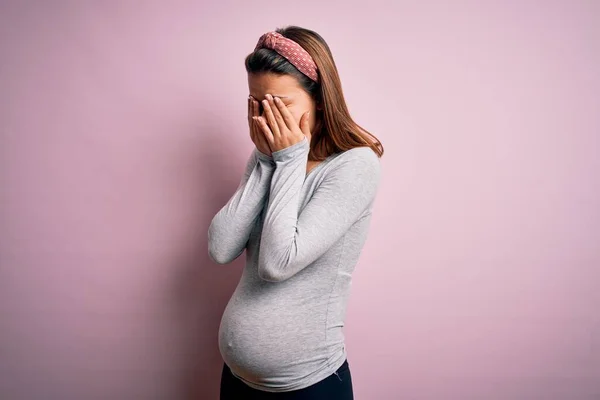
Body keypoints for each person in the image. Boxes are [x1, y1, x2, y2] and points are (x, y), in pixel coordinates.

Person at [208, 25, 384, 400]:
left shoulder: (354, 166)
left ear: (319, 99)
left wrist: (288, 159)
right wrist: (263, 159)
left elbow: (277, 262)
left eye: (280, 105)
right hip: (238, 383)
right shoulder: (271, 159)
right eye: (257, 104)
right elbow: (221, 248)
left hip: (308, 386)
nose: (267, 119)